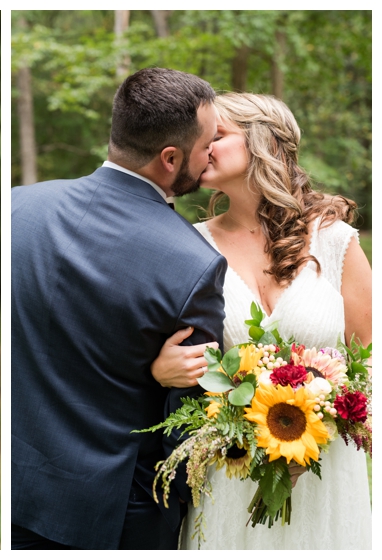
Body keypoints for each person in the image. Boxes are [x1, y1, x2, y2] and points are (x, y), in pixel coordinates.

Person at [10, 67, 226, 549]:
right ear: (170, 158)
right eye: (207, 143)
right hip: (113, 515)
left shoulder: (17, 208)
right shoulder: (194, 264)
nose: (212, 152)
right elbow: (185, 424)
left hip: (12, 489)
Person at [151, 92, 372, 549]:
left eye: (217, 135)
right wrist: (159, 370)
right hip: (230, 467)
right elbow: (161, 344)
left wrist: (330, 423)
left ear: (262, 141)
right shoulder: (185, 244)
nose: (202, 146)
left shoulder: (331, 238)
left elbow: (369, 352)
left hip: (323, 469)